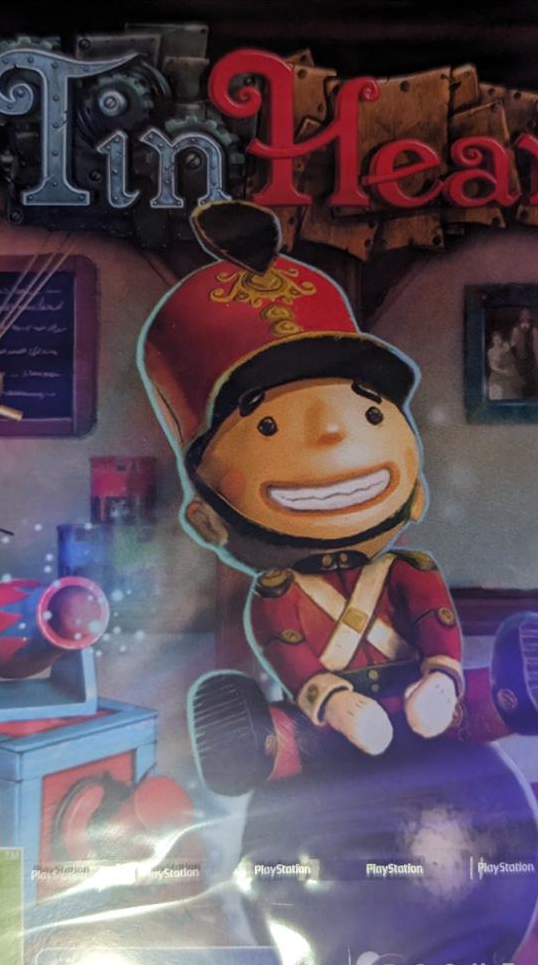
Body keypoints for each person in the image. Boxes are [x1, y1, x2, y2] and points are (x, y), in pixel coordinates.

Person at [138, 200, 463, 762]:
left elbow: (433, 617)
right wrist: (331, 700)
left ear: (416, 496)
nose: (331, 431)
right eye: (267, 425)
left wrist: (442, 675)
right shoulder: (277, 593)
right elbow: (285, 648)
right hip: (328, 731)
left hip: (424, 711)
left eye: (371, 413)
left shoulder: (409, 572)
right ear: (207, 520)